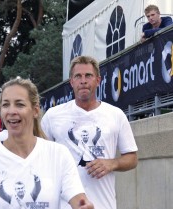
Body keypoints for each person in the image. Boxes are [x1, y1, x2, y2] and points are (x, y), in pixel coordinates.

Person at [0, 78, 94, 209]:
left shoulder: (58, 154)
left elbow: (78, 199)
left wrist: (84, 206)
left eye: (19, 104)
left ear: (35, 110)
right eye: (6, 104)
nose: (11, 111)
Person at [41, 55, 138, 209]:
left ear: (98, 80)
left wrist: (112, 163)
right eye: (78, 76)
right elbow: (39, 157)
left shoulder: (115, 115)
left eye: (88, 76)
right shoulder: (52, 116)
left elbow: (132, 158)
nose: (83, 81)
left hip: (104, 204)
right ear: (71, 82)